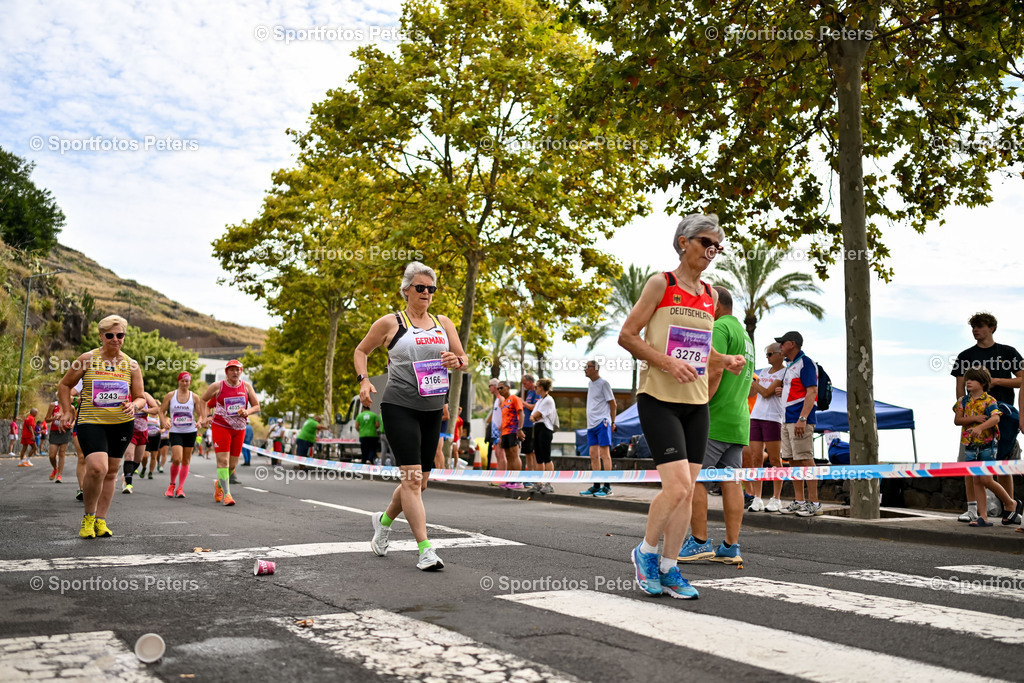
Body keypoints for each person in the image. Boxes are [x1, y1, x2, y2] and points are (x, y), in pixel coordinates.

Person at [618, 213, 746, 599]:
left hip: (696, 403)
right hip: (659, 399)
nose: (712, 250)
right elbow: (627, 335)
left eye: (717, 246)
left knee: (689, 492)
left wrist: (724, 361)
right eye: (706, 242)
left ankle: (671, 569)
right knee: (676, 487)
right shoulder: (662, 283)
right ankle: (645, 553)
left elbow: (699, 349)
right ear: (683, 242)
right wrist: (666, 362)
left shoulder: (710, 295)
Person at [355, 261, 468, 571]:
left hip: (433, 409)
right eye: (421, 288)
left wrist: (455, 360)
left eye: (431, 289)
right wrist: (364, 381)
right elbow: (361, 350)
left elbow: (463, 359)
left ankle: (384, 520)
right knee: (412, 478)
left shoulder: (443, 323)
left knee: (421, 483)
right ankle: (425, 550)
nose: (427, 293)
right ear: (406, 290)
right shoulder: (391, 323)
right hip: (399, 406)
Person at [679, 286, 754, 565]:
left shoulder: (720, 327)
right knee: (732, 481)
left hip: (714, 417)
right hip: (738, 420)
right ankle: (730, 547)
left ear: (717, 305)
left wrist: (698, 405)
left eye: (706, 303)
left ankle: (698, 541)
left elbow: (714, 368)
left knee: (693, 478)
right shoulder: (745, 335)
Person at [58, 314, 145, 539]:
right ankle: (88, 517)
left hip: (121, 424)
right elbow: (65, 385)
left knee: (112, 472)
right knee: (97, 468)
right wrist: (67, 411)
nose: (115, 339)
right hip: (91, 421)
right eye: (110, 335)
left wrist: (134, 406)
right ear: (101, 336)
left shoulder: (132, 365)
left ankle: (101, 521)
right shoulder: (87, 359)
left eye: (120, 335)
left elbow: (141, 397)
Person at [951, 312, 1024, 523]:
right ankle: (973, 509)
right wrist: (962, 412)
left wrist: (997, 381)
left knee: (1003, 464)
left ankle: (1010, 510)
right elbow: (959, 387)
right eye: (973, 326)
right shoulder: (965, 356)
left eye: (980, 326)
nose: (975, 330)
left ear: (991, 328)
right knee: (969, 462)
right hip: (972, 418)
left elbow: (1022, 380)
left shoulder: (1008, 352)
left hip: (1005, 415)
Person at [953, 367, 1022, 527]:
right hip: (970, 444)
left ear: (983, 383)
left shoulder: (990, 400)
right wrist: (975, 418)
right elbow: (957, 420)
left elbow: (995, 419)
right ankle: (983, 516)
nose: (968, 382)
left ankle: (1010, 503)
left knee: (985, 478)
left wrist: (979, 427)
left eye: (973, 379)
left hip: (987, 445)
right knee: (976, 479)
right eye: (967, 379)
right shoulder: (963, 401)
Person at [200, 359, 260, 506]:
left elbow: (257, 406)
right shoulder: (217, 386)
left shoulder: (246, 387)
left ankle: (219, 485)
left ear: (241, 371)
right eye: (231, 369)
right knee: (223, 462)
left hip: (239, 429)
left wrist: (247, 411)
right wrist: (206, 417)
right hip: (221, 427)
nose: (235, 372)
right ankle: (227, 494)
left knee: (232, 465)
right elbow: (203, 401)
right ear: (226, 372)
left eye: (237, 369)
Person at [775, 330, 821, 517]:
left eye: (782, 343)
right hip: (787, 419)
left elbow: (812, 392)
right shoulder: (790, 366)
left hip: (799, 419)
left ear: (792, 344)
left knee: (805, 458)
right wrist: (782, 390)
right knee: (792, 459)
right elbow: (796, 390)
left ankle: (815, 503)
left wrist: (803, 418)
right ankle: (800, 500)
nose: (780, 346)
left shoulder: (806, 363)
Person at [747, 343, 786, 512]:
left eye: (770, 354)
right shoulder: (762, 372)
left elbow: (767, 392)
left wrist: (755, 384)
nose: (767, 357)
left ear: (779, 354)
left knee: (775, 459)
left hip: (773, 418)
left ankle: (776, 498)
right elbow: (752, 394)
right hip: (756, 416)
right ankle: (757, 498)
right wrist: (749, 383)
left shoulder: (784, 372)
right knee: (756, 459)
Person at [160, 372, 204, 498]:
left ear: (190, 382)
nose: (185, 383)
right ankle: (172, 484)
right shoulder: (170, 395)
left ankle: (180, 488)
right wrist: (164, 423)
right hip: (175, 431)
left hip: (190, 431)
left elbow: (200, 415)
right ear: (178, 381)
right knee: (177, 458)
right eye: (182, 381)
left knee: (186, 460)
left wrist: (200, 422)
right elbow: (161, 411)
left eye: (187, 381)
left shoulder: (194, 397)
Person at [580, 360, 616, 497]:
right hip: (591, 425)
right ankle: (596, 486)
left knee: (604, 453)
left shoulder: (604, 383)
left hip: (602, 422)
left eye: (587, 367)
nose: (585, 370)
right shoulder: (590, 384)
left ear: (594, 369)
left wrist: (613, 422)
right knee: (593, 454)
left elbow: (613, 404)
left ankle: (607, 487)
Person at [123, 393, 159, 493]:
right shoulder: (124, 394)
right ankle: (128, 484)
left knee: (138, 459)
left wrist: (145, 410)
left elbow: (156, 409)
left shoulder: (145, 395)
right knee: (129, 456)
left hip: (142, 431)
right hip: (129, 430)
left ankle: (126, 474)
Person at [529, 378, 558, 494]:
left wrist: (535, 417)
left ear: (542, 387)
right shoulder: (539, 401)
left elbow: (537, 415)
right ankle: (539, 482)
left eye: (537, 386)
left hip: (545, 428)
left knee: (546, 457)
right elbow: (532, 416)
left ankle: (549, 483)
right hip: (538, 428)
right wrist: (534, 417)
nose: (535, 388)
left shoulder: (548, 400)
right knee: (539, 457)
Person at [497, 380, 525, 490]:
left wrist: (519, 429)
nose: (500, 390)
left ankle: (518, 481)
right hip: (505, 432)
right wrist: (500, 435)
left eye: (501, 388)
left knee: (514, 455)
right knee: (508, 456)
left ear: (508, 388)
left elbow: (521, 413)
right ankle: (510, 480)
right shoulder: (503, 403)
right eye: (498, 388)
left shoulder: (514, 398)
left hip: (513, 431)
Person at [45, 394, 73, 483]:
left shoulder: (70, 407)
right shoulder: (53, 405)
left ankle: (59, 475)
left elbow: (73, 418)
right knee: (52, 455)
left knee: (62, 453)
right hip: (54, 431)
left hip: (65, 432)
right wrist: (54, 418)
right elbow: (46, 419)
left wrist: (70, 425)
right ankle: (55, 468)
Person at [485, 379, 506, 476]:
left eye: (490, 386)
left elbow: (505, 414)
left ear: (494, 386)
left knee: (501, 454)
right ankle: (500, 476)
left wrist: (502, 430)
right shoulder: (497, 399)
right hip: (495, 432)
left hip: (500, 432)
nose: (489, 388)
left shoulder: (501, 399)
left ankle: (503, 476)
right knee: (498, 454)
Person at [520, 374, 540, 474]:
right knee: (527, 451)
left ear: (531, 382)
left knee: (532, 452)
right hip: (525, 424)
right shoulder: (529, 393)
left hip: (532, 425)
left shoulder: (537, 392)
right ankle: (529, 473)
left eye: (525, 383)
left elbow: (534, 407)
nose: (524, 385)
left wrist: (523, 403)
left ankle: (535, 474)